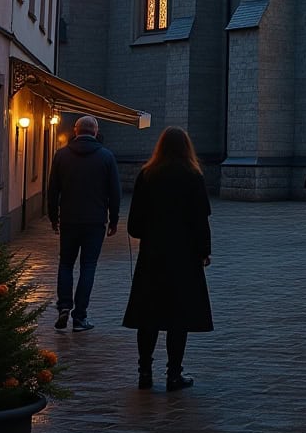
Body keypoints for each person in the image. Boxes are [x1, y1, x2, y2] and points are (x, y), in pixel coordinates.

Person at [122, 126, 212, 391]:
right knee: (178, 317)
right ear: (187, 147)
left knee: (148, 315)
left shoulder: (147, 175)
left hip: (152, 256)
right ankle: (174, 375)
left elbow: (134, 225)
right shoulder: (193, 176)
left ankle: (145, 373)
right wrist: (204, 251)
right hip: (184, 258)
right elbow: (200, 220)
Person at [48, 114, 121, 332]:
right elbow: (115, 192)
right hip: (95, 221)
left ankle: (63, 306)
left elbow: (53, 191)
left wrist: (54, 217)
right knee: (88, 266)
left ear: (75, 131)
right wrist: (114, 220)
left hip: (70, 219)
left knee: (66, 264)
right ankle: (80, 317)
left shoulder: (61, 156)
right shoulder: (106, 157)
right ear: (96, 132)